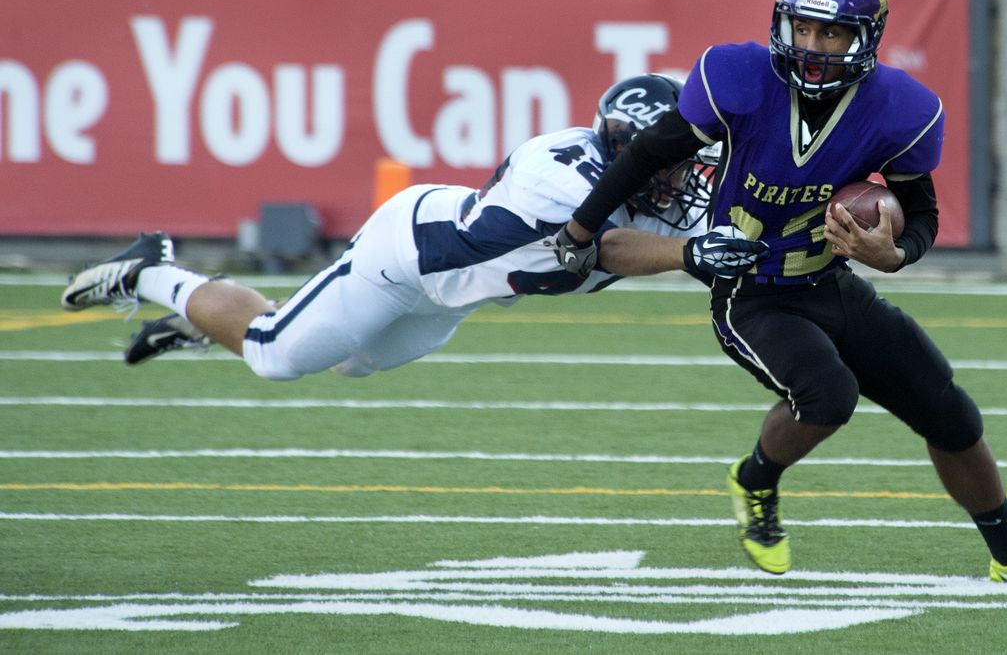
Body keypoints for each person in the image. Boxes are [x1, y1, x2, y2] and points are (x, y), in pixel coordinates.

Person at [553, 0, 1007, 585]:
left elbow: (921, 211)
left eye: (832, 32)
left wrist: (894, 256)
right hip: (751, 291)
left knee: (951, 414)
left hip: (829, 282)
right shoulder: (739, 77)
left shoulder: (899, 108)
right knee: (828, 395)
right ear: (782, 24)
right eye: (803, 28)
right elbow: (649, 154)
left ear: (866, 36)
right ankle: (755, 480)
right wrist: (580, 227)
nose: (812, 45)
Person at [61, 73, 768, 381]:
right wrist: (693, 252)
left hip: (454, 298)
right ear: (626, 149)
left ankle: (216, 320)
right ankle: (152, 267)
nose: (680, 178)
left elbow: (726, 220)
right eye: (666, 162)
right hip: (404, 259)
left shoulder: (647, 187)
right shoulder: (562, 173)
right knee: (276, 356)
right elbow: (604, 244)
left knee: (345, 359)